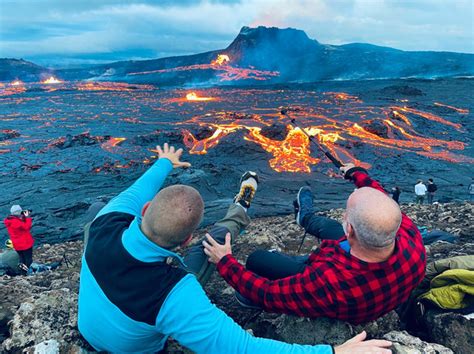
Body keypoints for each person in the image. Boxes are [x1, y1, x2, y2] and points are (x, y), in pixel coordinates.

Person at [78, 143, 392, 354]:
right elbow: (243, 347)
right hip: (135, 349)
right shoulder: (175, 294)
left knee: (98, 207)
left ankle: (239, 207)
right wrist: (335, 351)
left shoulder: (106, 223)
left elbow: (138, 189)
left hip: (88, 328)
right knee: (216, 237)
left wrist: (164, 161)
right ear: (186, 240)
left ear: (144, 210)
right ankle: (240, 206)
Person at [204, 163, 426, 325]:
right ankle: (305, 217)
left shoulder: (327, 283)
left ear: (348, 230)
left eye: (346, 216)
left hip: (332, 280)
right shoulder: (411, 241)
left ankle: (246, 299)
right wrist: (356, 174)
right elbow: (378, 199)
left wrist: (225, 262)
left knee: (257, 260)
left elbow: (269, 294)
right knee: (328, 228)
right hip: (367, 262)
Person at [4, 205, 34, 274]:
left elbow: (20, 223)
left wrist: (23, 216)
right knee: (28, 259)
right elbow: (26, 227)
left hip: (17, 245)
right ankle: (27, 272)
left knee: (22, 259)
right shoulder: (15, 222)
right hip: (25, 244)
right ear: (18, 212)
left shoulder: (10, 220)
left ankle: (23, 272)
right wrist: (28, 217)